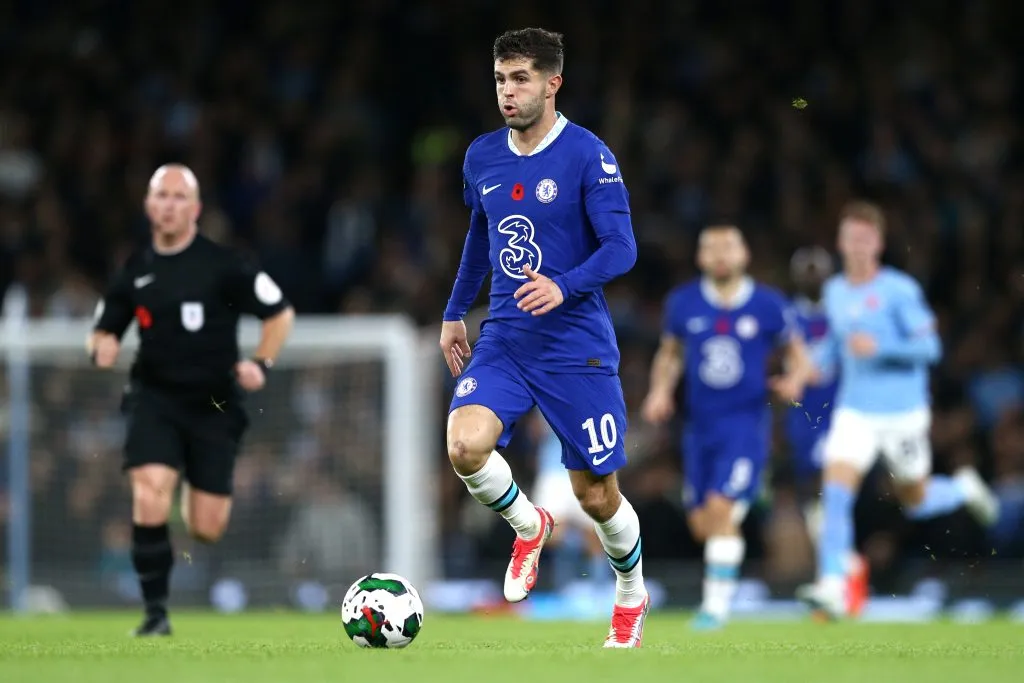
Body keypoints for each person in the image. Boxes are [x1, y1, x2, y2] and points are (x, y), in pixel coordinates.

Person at [439, 28, 648, 648]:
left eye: (521, 78)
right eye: (501, 79)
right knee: (464, 446)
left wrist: (563, 286)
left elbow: (622, 249)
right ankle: (528, 526)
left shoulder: (588, 154)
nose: (508, 91)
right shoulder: (482, 155)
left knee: (596, 494)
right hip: (505, 337)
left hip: (575, 344)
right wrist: (456, 310)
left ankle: (631, 596)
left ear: (553, 83)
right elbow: (481, 235)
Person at [89, 164, 295, 636]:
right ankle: (155, 614)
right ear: (148, 205)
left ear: (196, 209)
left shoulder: (225, 264)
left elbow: (279, 313)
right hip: (154, 400)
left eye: (180, 197)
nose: (169, 204)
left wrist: (260, 362)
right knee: (148, 490)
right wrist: (100, 344)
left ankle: (190, 489)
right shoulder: (135, 268)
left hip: (214, 406)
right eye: (161, 195)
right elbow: (104, 325)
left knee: (206, 527)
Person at [796, 200, 999, 620]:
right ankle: (832, 584)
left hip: (902, 413)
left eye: (865, 239)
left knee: (917, 500)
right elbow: (836, 346)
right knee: (834, 492)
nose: (857, 246)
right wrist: (807, 370)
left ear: (879, 244)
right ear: (840, 243)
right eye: (850, 238)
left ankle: (963, 488)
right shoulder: (834, 292)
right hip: (854, 411)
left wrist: (882, 348)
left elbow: (930, 347)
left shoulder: (900, 290)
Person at [641, 225, 811, 631]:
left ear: (744, 254)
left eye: (728, 246)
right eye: (710, 247)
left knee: (720, 510)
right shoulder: (683, 304)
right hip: (698, 429)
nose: (720, 254)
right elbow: (670, 354)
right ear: (700, 258)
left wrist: (795, 381)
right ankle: (720, 590)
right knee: (703, 525)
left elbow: (798, 355)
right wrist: (659, 391)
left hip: (745, 425)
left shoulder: (768, 305)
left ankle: (715, 608)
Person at [785, 247, 868, 617]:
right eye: (807, 270)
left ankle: (835, 580)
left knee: (829, 491)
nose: (813, 277)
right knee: (812, 497)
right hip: (803, 417)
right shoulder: (787, 316)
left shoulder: (844, 311)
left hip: (838, 411)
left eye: (819, 270)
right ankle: (842, 571)